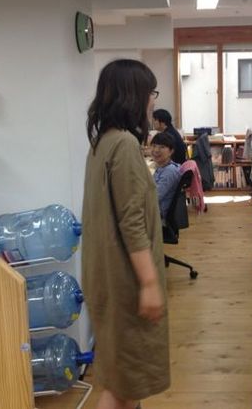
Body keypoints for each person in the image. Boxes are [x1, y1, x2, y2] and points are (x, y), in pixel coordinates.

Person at [82, 59, 169, 409]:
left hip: (104, 275)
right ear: (134, 96)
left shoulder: (101, 143)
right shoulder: (124, 145)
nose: (153, 100)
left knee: (121, 379)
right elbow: (131, 222)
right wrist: (149, 283)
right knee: (126, 385)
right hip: (125, 281)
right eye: (151, 92)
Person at [150, 132, 181, 220]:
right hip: (154, 210)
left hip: (157, 215)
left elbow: (154, 197)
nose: (156, 150)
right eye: (154, 146)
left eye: (162, 147)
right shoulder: (163, 167)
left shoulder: (169, 171)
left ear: (171, 151)